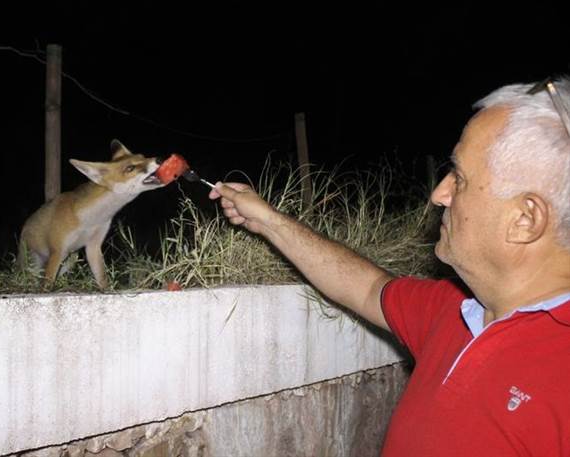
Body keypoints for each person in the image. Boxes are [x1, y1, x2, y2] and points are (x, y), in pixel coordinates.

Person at [208, 76, 570, 456]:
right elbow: (367, 288)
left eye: (459, 178)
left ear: (526, 219)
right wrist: (267, 220)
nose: (439, 193)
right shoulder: (458, 310)